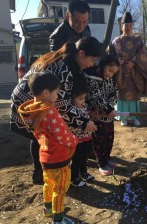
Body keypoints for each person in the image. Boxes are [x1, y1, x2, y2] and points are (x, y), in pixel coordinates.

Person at [10, 36, 100, 185]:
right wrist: (83, 122)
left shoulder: (72, 63)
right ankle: (44, 174)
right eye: (92, 60)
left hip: (38, 99)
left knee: (43, 135)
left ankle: (46, 173)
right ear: (82, 53)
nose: (92, 64)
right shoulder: (63, 67)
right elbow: (61, 104)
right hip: (27, 100)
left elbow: (67, 98)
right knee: (41, 136)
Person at [18, 72, 78, 224]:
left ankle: (48, 209)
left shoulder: (33, 111)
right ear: (46, 92)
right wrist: (74, 140)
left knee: (48, 184)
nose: (57, 97)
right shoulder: (50, 112)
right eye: (57, 93)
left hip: (45, 155)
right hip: (59, 157)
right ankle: (58, 220)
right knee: (60, 188)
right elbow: (63, 135)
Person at [106, 11, 147, 126]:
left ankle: (135, 117)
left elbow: (143, 54)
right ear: (122, 26)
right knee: (121, 95)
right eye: (126, 25)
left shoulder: (137, 40)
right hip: (120, 74)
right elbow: (109, 55)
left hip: (134, 73)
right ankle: (123, 117)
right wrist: (116, 61)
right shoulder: (116, 41)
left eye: (130, 25)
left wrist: (134, 62)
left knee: (134, 97)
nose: (128, 28)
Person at [85, 55, 120, 175]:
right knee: (99, 139)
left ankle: (107, 158)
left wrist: (110, 108)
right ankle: (101, 163)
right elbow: (94, 96)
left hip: (108, 115)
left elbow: (115, 94)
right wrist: (107, 109)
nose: (111, 74)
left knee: (109, 136)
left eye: (113, 73)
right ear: (102, 65)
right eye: (109, 71)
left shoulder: (112, 79)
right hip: (95, 115)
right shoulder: (92, 77)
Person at [69, 77, 95, 187]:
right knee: (77, 159)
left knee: (85, 156)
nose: (83, 101)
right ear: (71, 98)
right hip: (77, 139)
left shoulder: (84, 106)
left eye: (84, 98)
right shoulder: (70, 111)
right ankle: (74, 177)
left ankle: (83, 172)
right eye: (80, 99)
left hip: (87, 137)